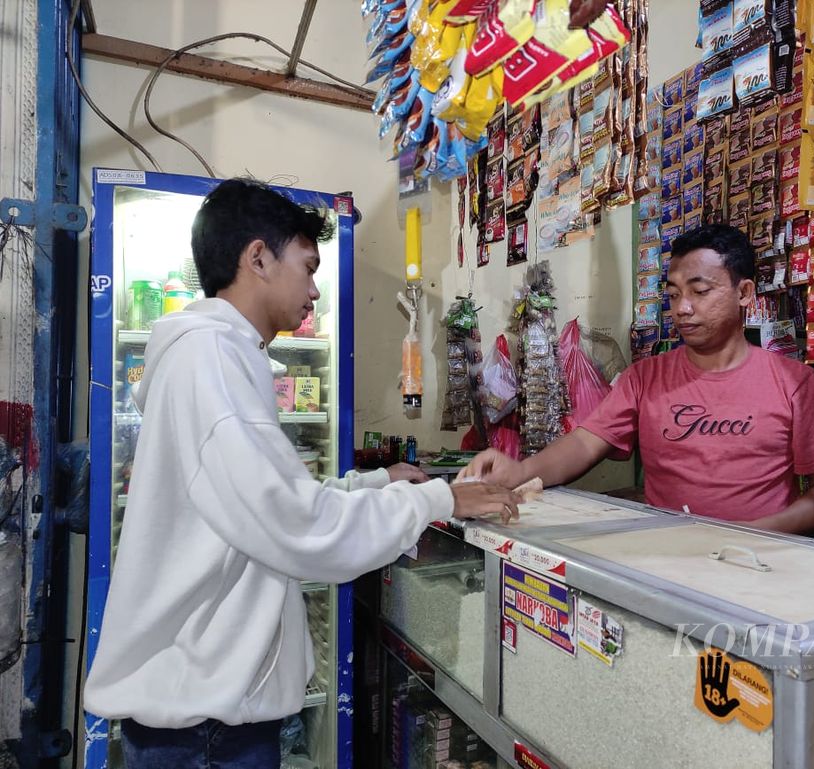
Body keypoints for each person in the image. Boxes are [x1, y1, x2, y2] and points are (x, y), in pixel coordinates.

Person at [84, 179, 519, 769]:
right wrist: (443, 500)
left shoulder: (218, 356)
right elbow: (297, 526)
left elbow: (259, 505)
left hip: (202, 710)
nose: (315, 289)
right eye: (308, 267)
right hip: (203, 726)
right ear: (257, 257)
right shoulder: (210, 359)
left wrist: (378, 483)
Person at [460, 224, 814, 534]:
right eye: (674, 293)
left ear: (745, 292)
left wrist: (751, 536)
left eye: (700, 291)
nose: (683, 308)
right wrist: (520, 472)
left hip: (761, 563)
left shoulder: (793, 383)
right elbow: (583, 443)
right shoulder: (645, 378)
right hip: (667, 557)